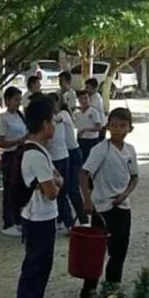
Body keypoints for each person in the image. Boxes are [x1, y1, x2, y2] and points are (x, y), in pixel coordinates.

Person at [11, 97, 62, 298]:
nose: (55, 125)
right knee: (34, 267)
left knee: (42, 266)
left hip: (42, 217)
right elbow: (52, 191)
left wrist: (55, 180)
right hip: (38, 217)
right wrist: (56, 183)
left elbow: (55, 178)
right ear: (44, 124)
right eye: (53, 121)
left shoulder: (37, 151)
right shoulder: (36, 156)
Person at [79, 107, 139, 298]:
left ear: (129, 128)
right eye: (113, 125)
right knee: (97, 252)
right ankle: (88, 292)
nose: (117, 129)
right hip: (101, 208)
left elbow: (134, 177)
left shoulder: (130, 150)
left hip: (122, 207)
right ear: (108, 126)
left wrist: (125, 194)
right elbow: (84, 174)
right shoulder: (100, 150)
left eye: (122, 126)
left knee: (119, 250)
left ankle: (112, 291)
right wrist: (87, 200)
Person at [0, 86, 28, 237]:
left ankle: (17, 219)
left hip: (21, 154)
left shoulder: (19, 116)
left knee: (19, 188)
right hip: (10, 155)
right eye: (16, 100)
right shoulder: (4, 119)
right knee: (9, 188)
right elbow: (1, 143)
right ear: (7, 101)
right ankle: (8, 221)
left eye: (19, 100)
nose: (18, 103)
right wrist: (18, 141)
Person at [47, 93, 77, 233]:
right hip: (54, 157)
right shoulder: (48, 119)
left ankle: (69, 222)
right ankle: (59, 220)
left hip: (62, 157)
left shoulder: (63, 114)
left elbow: (57, 119)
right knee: (56, 192)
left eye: (55, 103)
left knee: (61, 191)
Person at [60, 93, 86, 224]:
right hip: (65, 154)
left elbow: (56, 119)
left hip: (73, 153)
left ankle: (83, 220)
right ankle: (67, 221)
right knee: (64, 189)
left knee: (73, 190)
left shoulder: (63, 114)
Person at [75, 88, 105, 161]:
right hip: (81, 140)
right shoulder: (77, 113)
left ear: (89, 99)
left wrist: (86, 130)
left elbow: (99, 127)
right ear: (78, 100)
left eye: (86, 98)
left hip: (92, 140)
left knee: (92, 160)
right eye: (81, 98)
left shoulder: (93, 111)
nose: (84, 101)